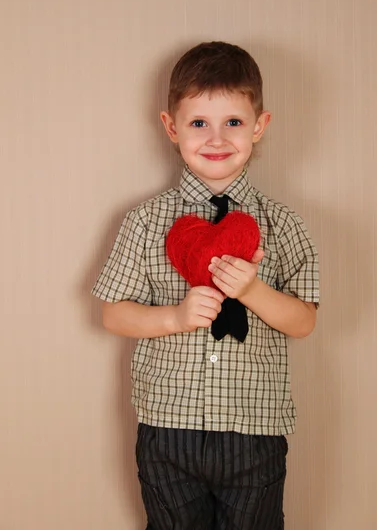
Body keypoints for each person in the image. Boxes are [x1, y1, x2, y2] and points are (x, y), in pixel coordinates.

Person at [91, 41, 320, 530]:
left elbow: (304, 321)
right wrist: (173, 317)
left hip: (254, 429)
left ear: (259, 126)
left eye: (233, 122)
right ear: (172, 127)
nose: (216, 138)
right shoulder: (145, 222)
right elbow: (113, 313)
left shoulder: (284, 225)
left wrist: (254, 292)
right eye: (199, 123)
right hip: (167, 426)